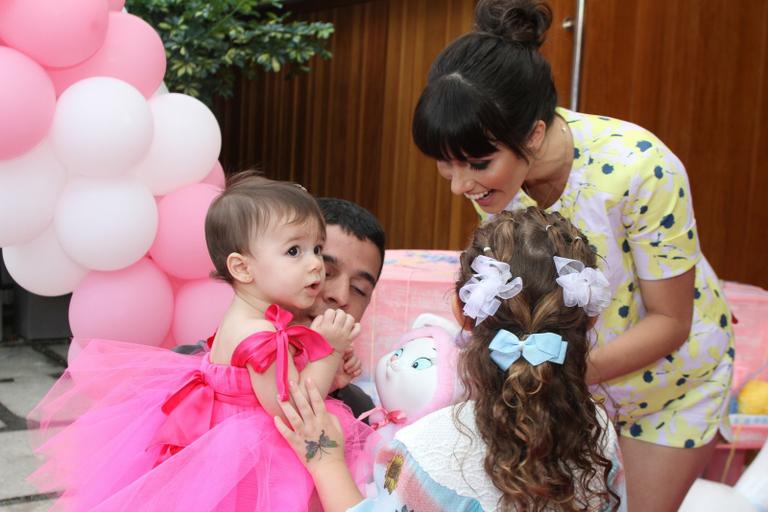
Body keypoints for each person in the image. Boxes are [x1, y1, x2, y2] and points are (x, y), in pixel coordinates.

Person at [409, 1, 734, 509]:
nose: (460, 185)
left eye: (476, 163)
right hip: (569, 387)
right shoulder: (496, 182)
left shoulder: (637, 167)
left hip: (668, 387)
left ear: (533, 134)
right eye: (445, 166)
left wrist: (547, 372)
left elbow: (672, 321)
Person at [28, 173, 375, 511]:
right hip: (252, 457)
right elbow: (293, 410)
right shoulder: (258, 334)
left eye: (316, 249)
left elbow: (284, 382)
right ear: (242, 268)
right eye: (294, 251)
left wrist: (332, 374)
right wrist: (326, 349)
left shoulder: (256, 318)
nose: (315, 264)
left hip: (232, 438)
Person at [275, 207, 627, 512]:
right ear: (589, 320)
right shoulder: (597, 431)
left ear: (462, 310)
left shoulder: (427, 447)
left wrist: (325, 461)